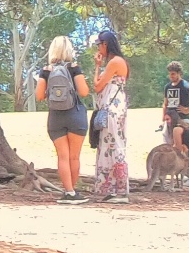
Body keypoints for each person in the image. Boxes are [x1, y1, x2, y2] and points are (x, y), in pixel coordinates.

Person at [34, 34, 91, 203]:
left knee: (62, 157)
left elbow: (39, 96)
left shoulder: (46, 70)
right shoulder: (74, 68)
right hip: (76, 115)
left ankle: (68, 191)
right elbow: (84, 92)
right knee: (74, 157)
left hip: (55, 117)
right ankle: (72, 193)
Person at [88, 28, 130, 202]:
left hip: (112, 108)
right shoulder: (118, 62)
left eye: (99, 45)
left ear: (106, 44)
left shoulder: (114, 62)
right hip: (114, 107)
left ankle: (119, 189)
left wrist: (97, 67)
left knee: (113, 145)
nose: (99, 49)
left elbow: (97, 86)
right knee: (111, 144)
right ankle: (113, 187)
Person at [160, 62, 189, 146]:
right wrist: (163, 120)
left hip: (181, 120)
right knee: (167, 145)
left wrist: (188, 110)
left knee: (181, 145)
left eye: (173, 74)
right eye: (169, 74)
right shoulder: (167, 87)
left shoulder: (185, 85)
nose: (171, 76)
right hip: (169, 120)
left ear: (179, 73)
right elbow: (165, 104)